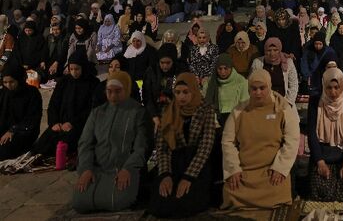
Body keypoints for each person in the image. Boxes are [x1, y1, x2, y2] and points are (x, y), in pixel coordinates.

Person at [221, 69, 300, 210]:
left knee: (278, 190)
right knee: (231, 191)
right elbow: (227, 141)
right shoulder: (239, 111)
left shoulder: (282, 109)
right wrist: (234, 169)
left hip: (271, 171)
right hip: (245, 171)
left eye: (262, 88)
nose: (258, 93)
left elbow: (292, 140)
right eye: (254, 89)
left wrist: (280, 168)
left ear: (269, 87)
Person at [72, 71, 149, 214]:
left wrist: (128, 169)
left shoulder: (137, 112)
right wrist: (86, 169)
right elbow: (85, 143)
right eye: (109, 91)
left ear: (126, 89)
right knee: (80, 202)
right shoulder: (97, 113)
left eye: (118, 91)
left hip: (123, 169)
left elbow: (141, 147)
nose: (113, 96)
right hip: (97, 169)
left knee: (117, 201)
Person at [147, 73, 217, 218]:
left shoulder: (206, 109)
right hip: (174, 162)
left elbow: (205, 146)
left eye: (186, 92)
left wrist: (188, 177)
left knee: (186, 202)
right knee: (161, 202)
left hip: (196, 163)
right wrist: (166, 175)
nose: (181, 97)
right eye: (178, 92)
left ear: (194, 91)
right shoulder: (168, 111)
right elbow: (162, 147)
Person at [307, 67, 343, 202]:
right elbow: (312, 134)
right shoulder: (316, 100)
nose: (333, 92)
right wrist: (320, 162)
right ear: (323, 86)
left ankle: (337, 182)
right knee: (320, 189)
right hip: (323, 151)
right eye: (329, 87)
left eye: (336, 87)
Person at [31, 50, 98, 159]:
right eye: (71, 69)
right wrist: (54, 122)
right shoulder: (64, 82)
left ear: (83, 67)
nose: (74, 72)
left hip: (80, 125)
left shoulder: (92, 83)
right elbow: (53, 104)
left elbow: (91, 109)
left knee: (64, 144)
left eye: (77, 69)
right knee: (41, 147)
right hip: (60, 124)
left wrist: (73, 123)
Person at [0, 63, 43, 161]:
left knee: (4, 150)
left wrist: (13, 130)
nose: (8, 85)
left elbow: (32, 118)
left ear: (19, 79)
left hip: (24, 132)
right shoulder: (4, 93)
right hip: (5, 131)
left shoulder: (32, 93)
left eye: (11, 82)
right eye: (5, 82)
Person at [143, 44, 184, 132]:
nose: (165, 66)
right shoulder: (152, 71)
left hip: (176, 111)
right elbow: (147, 96)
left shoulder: (180, 71)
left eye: (168, 63)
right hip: (154, 111)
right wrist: (154, 116)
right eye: (162, 63)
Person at [251, 37, 299, 107]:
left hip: (283, 101)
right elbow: (252, 83)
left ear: (279, 50)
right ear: (265, 51)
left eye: (275, 50)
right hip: (263, 102)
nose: (272, 53)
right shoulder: (257, 63)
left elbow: (293, 84)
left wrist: (288, 102)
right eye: (269, 50)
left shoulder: (288, 63)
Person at [204, 54, 250, 126]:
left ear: (231, 68)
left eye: (226, 68)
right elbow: (206, 103)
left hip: (235, 118)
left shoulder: (241, 81)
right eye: (220, 69)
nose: (222, 72)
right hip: (215, 119)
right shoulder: (210, 82)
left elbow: (245, 104)